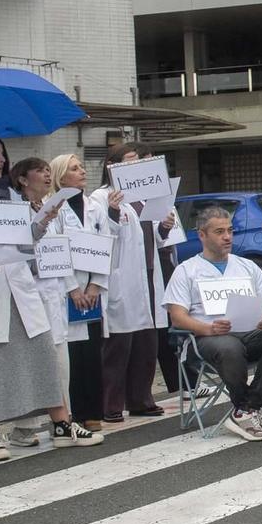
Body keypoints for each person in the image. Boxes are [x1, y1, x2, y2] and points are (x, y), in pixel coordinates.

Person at [0, 137, 98, 460]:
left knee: (43, 352)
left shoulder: (10, 194)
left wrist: (43, 221)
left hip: (19, 286)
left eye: (3, 154)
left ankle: (61, 423)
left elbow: (25, 241)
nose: (2, 160)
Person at [165, 206, 262, 441]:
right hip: (206, 339)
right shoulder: (187, 271)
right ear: (202, 235)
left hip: (248, 333)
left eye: (230, 231)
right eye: (219, 232)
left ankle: (246, 408)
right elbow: (177, 316)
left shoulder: (247, 266)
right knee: (228, 346)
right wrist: (208, 328)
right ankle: (248, 409)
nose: (227, 237)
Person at [88, 142, 177, 422]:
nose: (134, 165)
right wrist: (113, 212)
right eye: (129, 160)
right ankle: (110, 404)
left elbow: (150, 239)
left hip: (148, 278)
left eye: (137, 161)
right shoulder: (100, 198)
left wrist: (164, 227)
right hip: (121, 281)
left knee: (146, 344)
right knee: (118, 347)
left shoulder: (144, 197)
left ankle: (141, 399)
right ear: (111, 165)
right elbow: (101, 237)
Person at [48, 152, 107, 433]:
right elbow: (55, 250)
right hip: (67, 291)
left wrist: (95, 284)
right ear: (61, 176)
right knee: (72, 355)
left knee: (92, 353)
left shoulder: (95, 206)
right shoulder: (54, 208)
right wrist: (73, 288)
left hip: (92, 291)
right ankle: (73, 412)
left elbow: (106, 246)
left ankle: (94, 411)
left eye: (81, 166)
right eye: (74, 168)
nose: (82, 171)